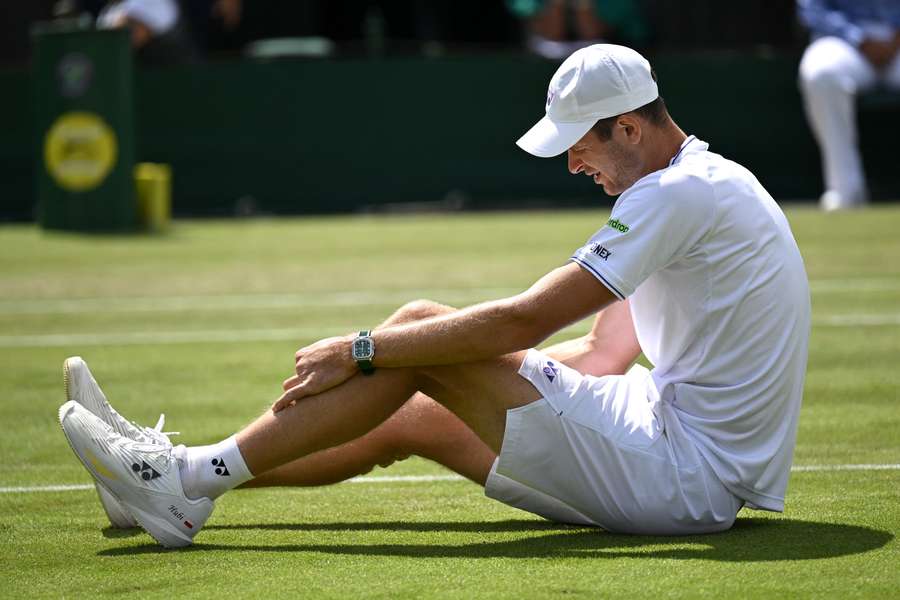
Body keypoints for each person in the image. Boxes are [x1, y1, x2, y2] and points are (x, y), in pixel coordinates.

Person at [58, 44, 811, 548]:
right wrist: (473, 378)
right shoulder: (695, 183)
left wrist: (363, 350)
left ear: (626, 127)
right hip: (675, 451)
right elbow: (605, 350)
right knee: (409, 411)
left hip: (684, 477)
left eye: (578, 146)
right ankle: (177, 481)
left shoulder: (676, 197)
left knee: (418, 329)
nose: (574, 165)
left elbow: (528, 318)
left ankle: (178, 482)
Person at [797, 0, 900, 211]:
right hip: (844, 41)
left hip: (897, 40)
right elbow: (813, 8)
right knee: (821, 73)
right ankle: (846, 191)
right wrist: (859, 39)